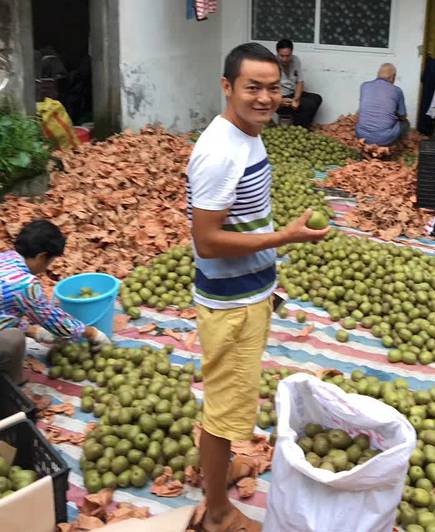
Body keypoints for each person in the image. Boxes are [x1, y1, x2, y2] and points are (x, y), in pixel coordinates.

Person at [186, 42, 329, 531]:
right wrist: (283, 237)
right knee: (225, 409)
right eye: (253, 88)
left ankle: (221, 468)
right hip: (230, 303)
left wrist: (272, 245)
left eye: (273, 88)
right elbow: (206, 241)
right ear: (227, 87)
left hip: (250, 291)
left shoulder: (249, 134)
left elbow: (242, 219)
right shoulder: (220, 151)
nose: (266, 98)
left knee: (232, 402)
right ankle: (218, 514)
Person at [0, 220, 110, 385]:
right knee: (13, 340)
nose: (47, 267)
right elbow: (55, 321)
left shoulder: (5, 258)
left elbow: (4, 314)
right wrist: (93, 333)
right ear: (42, 256)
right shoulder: (24, 283)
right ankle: (10, 387)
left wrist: (32, 331)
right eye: (49, 261)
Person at [355, 63, 409, 146]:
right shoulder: (397, 91)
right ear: (393, 77)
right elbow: (403, 116)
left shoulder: (364, 86)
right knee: (405, 123)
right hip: (383, 139)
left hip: (361, 135)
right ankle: (392, 148)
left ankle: (367, 145)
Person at [275, 38, 322, 127]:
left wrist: (296, 99)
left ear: (292, 52)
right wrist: (278, 100)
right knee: (308, 105)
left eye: (288, 56)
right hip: (280, 98)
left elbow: (300, 82)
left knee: (317, 98)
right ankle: (299, 128)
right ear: (277, 53)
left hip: (293, 94)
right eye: (282, 56)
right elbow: (267, 87)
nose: (285, 59)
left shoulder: (295, 60)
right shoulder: (272, 64)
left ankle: (302, 126)